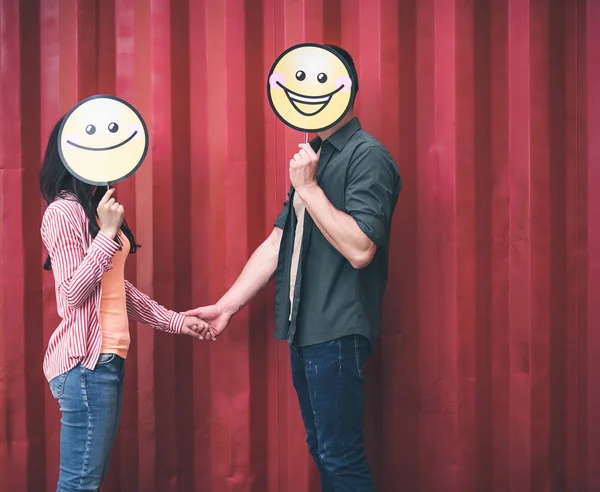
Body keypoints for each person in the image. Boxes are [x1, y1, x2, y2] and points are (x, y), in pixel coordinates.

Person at [185, 45, 401, 491]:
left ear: (346, 85)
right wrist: (226, 306)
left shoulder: (367, 155)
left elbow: (361, 248)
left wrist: (310, 188)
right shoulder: (316, 158)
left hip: (338, 330)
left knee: (340, 456)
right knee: (324, 448)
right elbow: (280, 241)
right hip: (306, 331)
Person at [39, 117, 211, 492]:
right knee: (79, 485)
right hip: (86, 364)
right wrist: (108, 233)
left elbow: (114, 289)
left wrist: (176, 321)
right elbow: (71, 295)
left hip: (106, 360)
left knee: (86, 482)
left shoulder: (93, 209)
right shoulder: (63, 212)